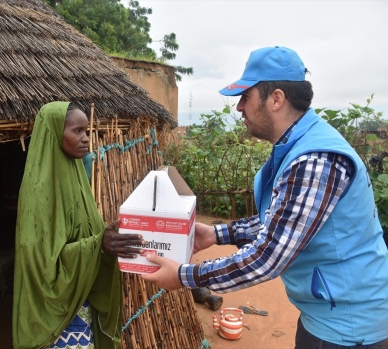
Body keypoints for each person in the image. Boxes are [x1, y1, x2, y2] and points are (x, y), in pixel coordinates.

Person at [141, 46, 388, 348]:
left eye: (245, 97)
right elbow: (282, 221)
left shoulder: (314, 160)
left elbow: (267, 258)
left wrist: (184, 276)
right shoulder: (298, 146)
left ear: (276, 99)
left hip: (349, 326)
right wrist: (217, 233)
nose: (239, 108)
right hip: (326, 311)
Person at [12, 101, 145, 349]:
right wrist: (97, 245)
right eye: (77, 131)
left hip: (81, 302)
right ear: (53, 133)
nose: (86, 139)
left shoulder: (76, 179)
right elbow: (39, 261)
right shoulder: (38, 192)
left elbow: (86, 232)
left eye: (86, 131)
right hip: (55, 317)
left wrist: (103, 241)